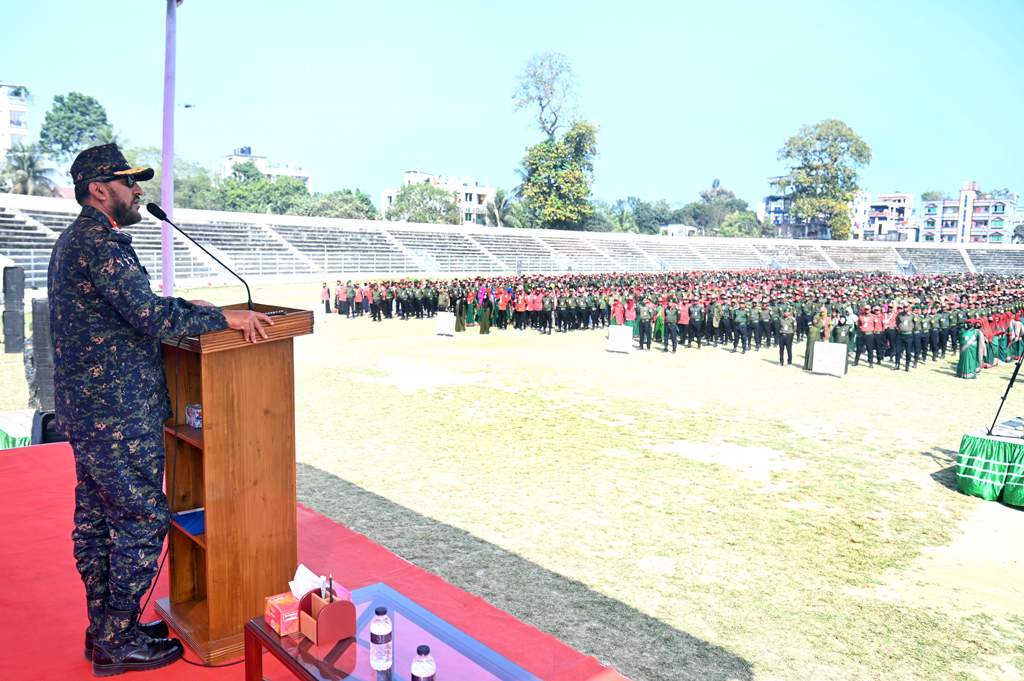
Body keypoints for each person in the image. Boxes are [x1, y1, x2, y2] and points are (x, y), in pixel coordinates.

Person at [49, 144, 273, 676]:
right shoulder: (99, 243)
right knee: (142, 519)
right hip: (118, 415)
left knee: (98, 522)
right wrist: (223, 316)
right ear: (99, 189)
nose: (138, 191)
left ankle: (106, 630)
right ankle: (119, 638)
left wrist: (189, 308)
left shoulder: (76, 240)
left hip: (90, 413)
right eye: (128, 183)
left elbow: (128, 311)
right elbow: (148, 316)